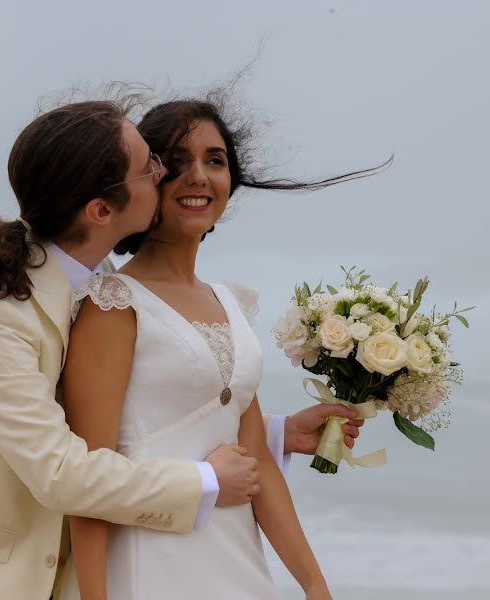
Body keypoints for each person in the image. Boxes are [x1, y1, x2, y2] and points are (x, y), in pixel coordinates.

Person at [0, 98, 363, 600]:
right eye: (155, 164)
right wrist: (205, 482)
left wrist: (270, 435)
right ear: (102, 209)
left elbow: (145, 402)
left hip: (181, 553)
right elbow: (63, 471)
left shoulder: (98, 281)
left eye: (210, 160)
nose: (167, 174)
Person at [60, 97, 383, 599]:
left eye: (215, 160)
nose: (198, 176)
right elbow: (88, 480)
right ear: (144, 181)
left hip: (236, 563)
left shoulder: (230, 303)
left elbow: (258, 466)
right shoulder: (113, 303)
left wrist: (314, 585)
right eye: (176, 161)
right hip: (150, 561)